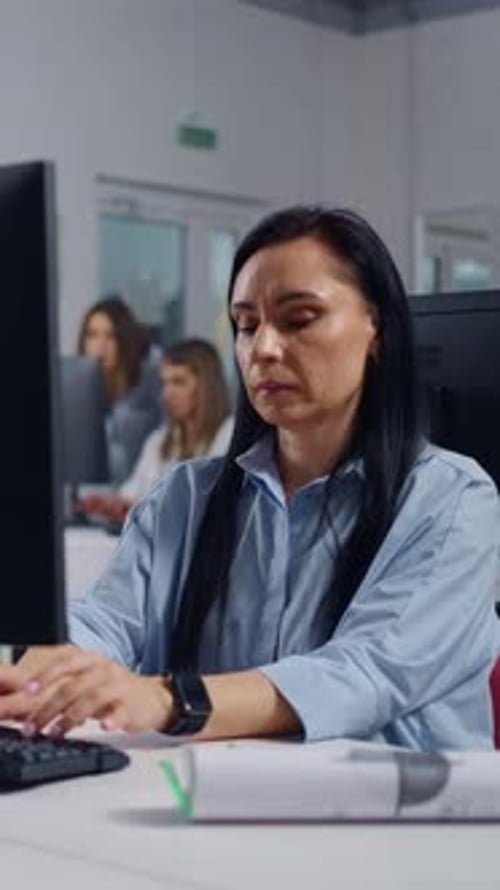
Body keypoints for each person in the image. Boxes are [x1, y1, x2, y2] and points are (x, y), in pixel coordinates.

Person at [0, 206, 498, 749]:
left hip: (398, 824)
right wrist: (50, 666)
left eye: (299, 319)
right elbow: (109, 620)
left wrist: (168, 700)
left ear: (377, 329)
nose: (262, 349)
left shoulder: (452, 501)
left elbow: (364, 671)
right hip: (217, 810)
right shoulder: (186, 499)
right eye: (246, 324)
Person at [80, 339, 235, 524]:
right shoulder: (159, 441)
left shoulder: (230, 436)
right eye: (165, 383)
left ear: (206, 387)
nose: (166, 393)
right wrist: (112, 505)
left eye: (178, 382)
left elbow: (209, 508)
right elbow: (132, 496)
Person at [78, 295, 162, 484]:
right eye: (92, 335)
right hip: (94, 495)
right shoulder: (78, 390)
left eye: (111, 336)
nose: (100, 346)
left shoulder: (148, 384)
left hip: (139, 493)